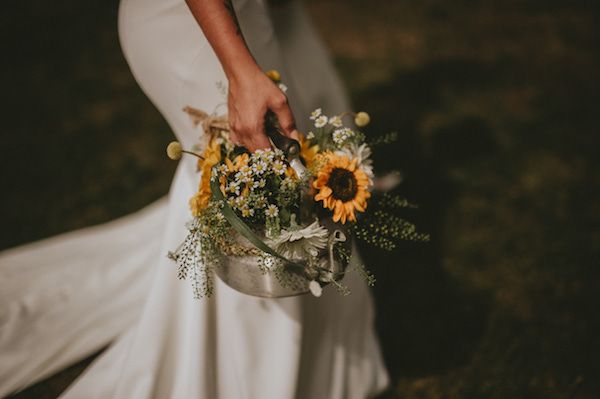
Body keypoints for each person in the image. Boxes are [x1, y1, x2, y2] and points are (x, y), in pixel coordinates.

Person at [0, 0, 389, 397]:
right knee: (259, 213)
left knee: (285, 182)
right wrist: (239, 72)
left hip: (247, 16)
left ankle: (316, 368)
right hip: (200, 29)